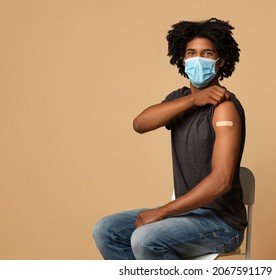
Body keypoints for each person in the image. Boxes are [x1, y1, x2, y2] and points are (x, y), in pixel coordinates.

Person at [93, 18, 246, 260]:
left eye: (207, 53)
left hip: (221, 223)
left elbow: (221, 181)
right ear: (183, 60)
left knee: (145, 239)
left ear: (220, 62)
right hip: (188, 215)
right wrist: (193, 100)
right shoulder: (180, 100)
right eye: (191, 53)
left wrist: (163, 212)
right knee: (107, 230)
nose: (198, 59)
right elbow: (140, 124)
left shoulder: (223, 108)